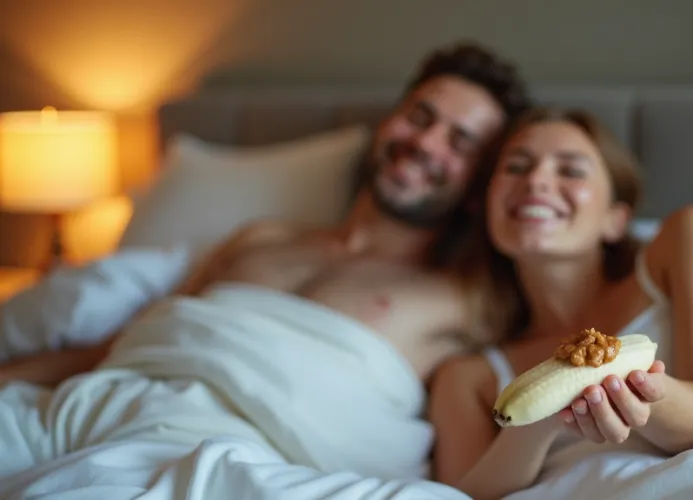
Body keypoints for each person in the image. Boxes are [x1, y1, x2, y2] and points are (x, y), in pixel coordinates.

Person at [0, 41, 531, 480]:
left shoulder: (465, 298)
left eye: (460, 142)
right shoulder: (260, 239)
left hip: (229, 458)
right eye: (420, 115)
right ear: (390, 122)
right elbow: (121, 345)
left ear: (475, 190)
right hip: (94, 409)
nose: (425, 142)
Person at [428, 107, 693, 499]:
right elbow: (462, 495)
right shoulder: (465, 378)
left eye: (571, 170)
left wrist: (633, 391)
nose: (535, 181)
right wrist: (541, 422)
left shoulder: (686, 238)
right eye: (516, 167)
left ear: (616, 219)